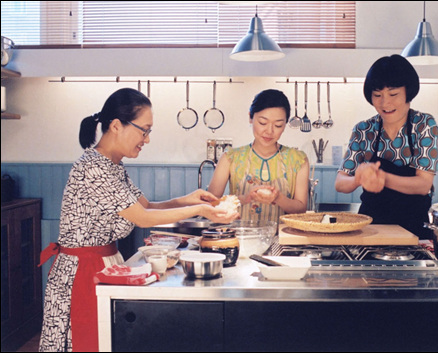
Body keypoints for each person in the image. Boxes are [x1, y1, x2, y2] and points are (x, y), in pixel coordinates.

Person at [38, 88, 239, 352]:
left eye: (149, 132)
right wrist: (200, 211)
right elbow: (143, 218)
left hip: (102, 264)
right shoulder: (93, 168)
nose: (146, 139)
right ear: (116, 126)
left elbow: (146, 206)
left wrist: (191, 199)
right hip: (81, 273)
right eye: (143, 130)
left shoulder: (112, 164)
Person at [335, 55, 438, 239]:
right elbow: (340, 183)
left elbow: (423, 184)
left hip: (413, 231)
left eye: (393, 94)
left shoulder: (424, 125)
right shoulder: (363, 130)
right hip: (371, 231)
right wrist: (359, 178)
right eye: (377, 95)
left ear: (408, 92)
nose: (385, 103)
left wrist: (381, 178)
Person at [208, 89, 309, 225]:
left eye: (278, 125)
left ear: (285, 125)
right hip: (240, 239)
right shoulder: (230, 158)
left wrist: (278, 198)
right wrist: (245, 198)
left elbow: (301, 209)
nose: (269, 131)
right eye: (262, 123)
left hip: (282, 241)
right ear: (250, 117)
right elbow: (211, 204)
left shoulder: (298, 160)